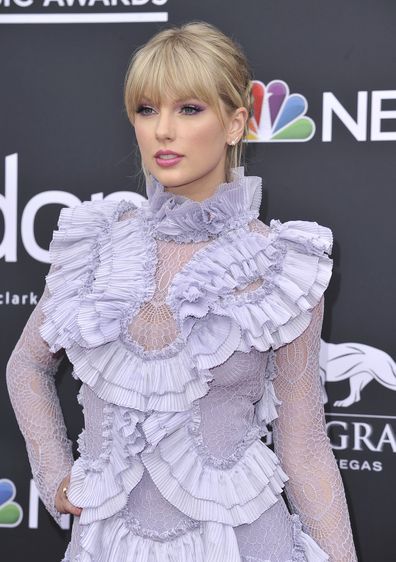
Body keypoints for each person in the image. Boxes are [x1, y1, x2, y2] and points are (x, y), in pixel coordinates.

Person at [6, 21, 358, 562]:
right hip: (105, 545)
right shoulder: (95, 248)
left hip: (241, 546)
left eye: (189, 109)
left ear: (236, 123)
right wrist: (55, 475)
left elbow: (305, 447)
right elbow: (26, 366)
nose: (163, 131)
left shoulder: (281, 266)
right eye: (147, 110)